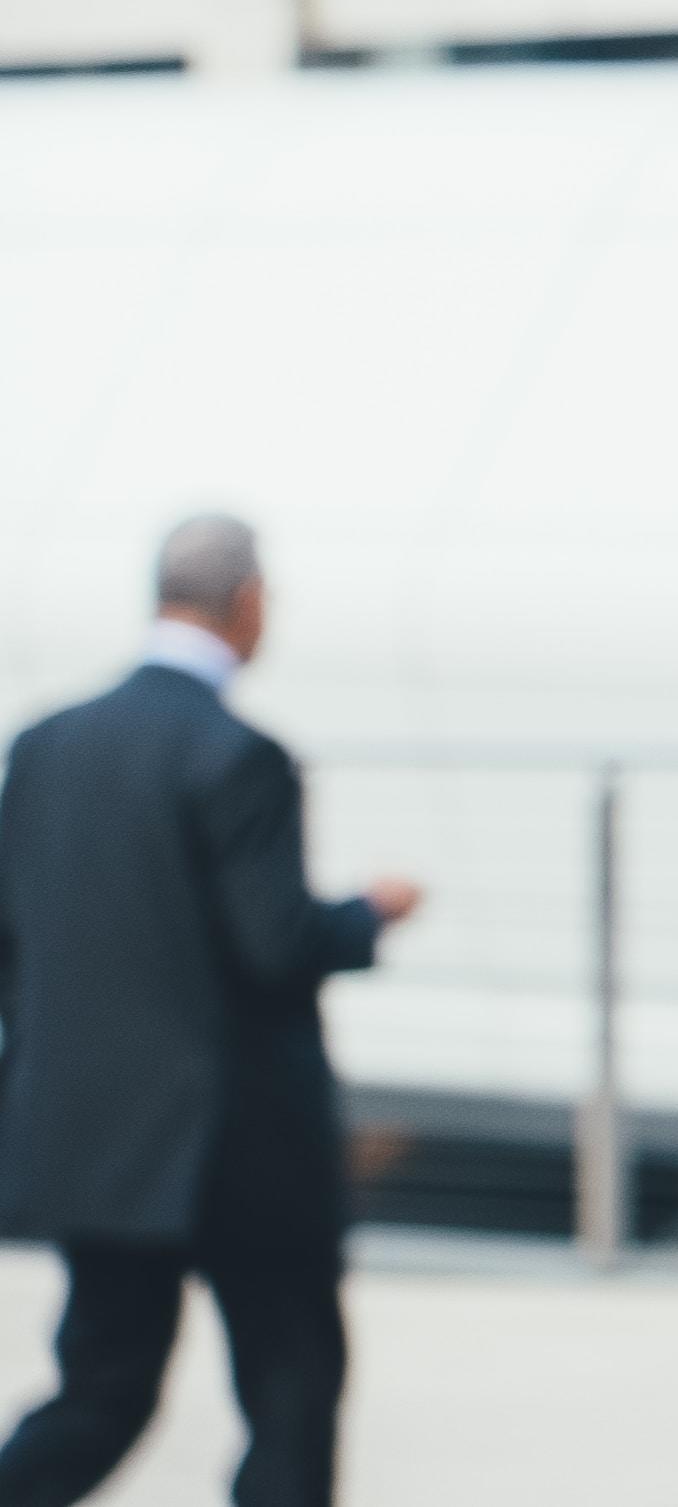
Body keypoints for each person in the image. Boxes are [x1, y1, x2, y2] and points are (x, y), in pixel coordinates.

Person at [0, 515, 420, 1507]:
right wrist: (368, 914)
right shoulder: (239, 756)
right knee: (291, 1392)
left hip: (100, 1139)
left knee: (103, 1392)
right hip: (243, 1149)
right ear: (246, 602)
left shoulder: (45, 746)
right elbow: (275, 946)